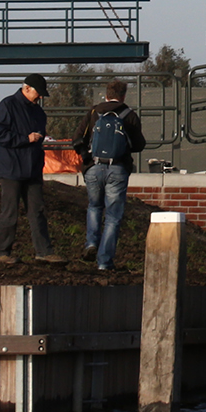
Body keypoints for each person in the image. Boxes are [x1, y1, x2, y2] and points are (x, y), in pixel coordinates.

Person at [0, 73, 66, 264]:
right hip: (11, 168)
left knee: (37, 210)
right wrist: (25, 139)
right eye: (37, 93)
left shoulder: (38, 113)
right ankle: (2, 252)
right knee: (10, 211)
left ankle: (44, 251)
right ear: (26, 89)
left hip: (31, 168)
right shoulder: (7, 106)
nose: (39, 97)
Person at [75, 78, 147, 272]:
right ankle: (104, 262)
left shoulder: (94, 112)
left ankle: (91, 243)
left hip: (94, 167)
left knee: (94, 206)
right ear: (123, 96)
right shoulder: (129, 115)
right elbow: (139, 145)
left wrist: (86, 158)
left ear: (106, 94)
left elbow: (77, 139)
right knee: (113, 217)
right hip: (118, 169)